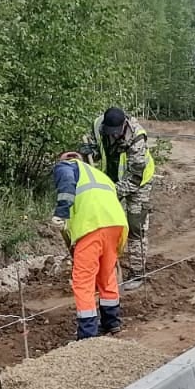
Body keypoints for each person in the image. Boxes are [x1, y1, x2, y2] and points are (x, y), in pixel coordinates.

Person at [50, 150, 129, 339]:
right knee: (106, 274)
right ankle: (112, 322)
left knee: (83, 279)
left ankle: (87, 334)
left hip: (92, 226)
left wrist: (61, 212)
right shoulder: (98, 175)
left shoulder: (66, 167)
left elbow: (67, 184)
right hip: (115, 224)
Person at [86, 106, 155, 289]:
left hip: (139, 182)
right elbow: (96, 149)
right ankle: (104, 268)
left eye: (116, 133)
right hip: (111, 179)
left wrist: (112, 192)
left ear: (124, 125)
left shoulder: (137, 138)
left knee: (135, 226)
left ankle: (138, 273)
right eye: (110, 133)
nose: (113, 136)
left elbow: (135, 177)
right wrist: (88, 151)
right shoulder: (98, 125)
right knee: (106, 224)